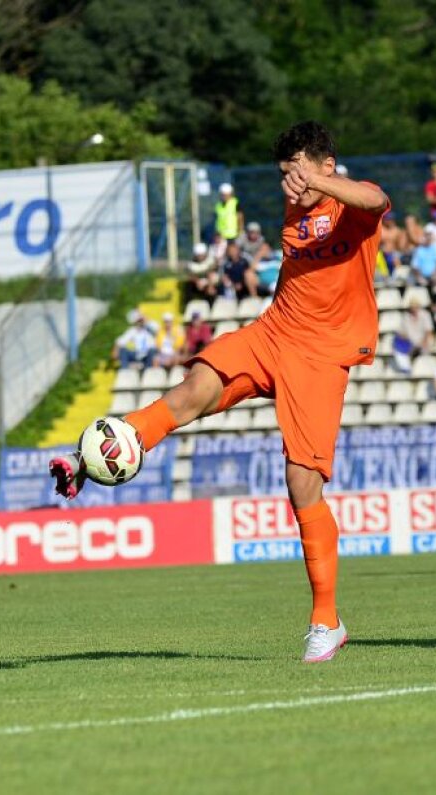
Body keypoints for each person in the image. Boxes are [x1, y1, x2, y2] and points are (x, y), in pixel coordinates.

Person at [50, 121, 389, 663]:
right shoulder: (298, 206)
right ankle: (87, 459)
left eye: (297, 173)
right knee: (192, 389)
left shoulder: (351, 202)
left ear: (326, 165)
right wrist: (305, 189)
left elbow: (375, 198)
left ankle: (327, 621)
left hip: (321, 355)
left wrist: (320, 184)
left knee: (302, 485)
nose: (290, 185)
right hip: (275, 331)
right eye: (283, 175)